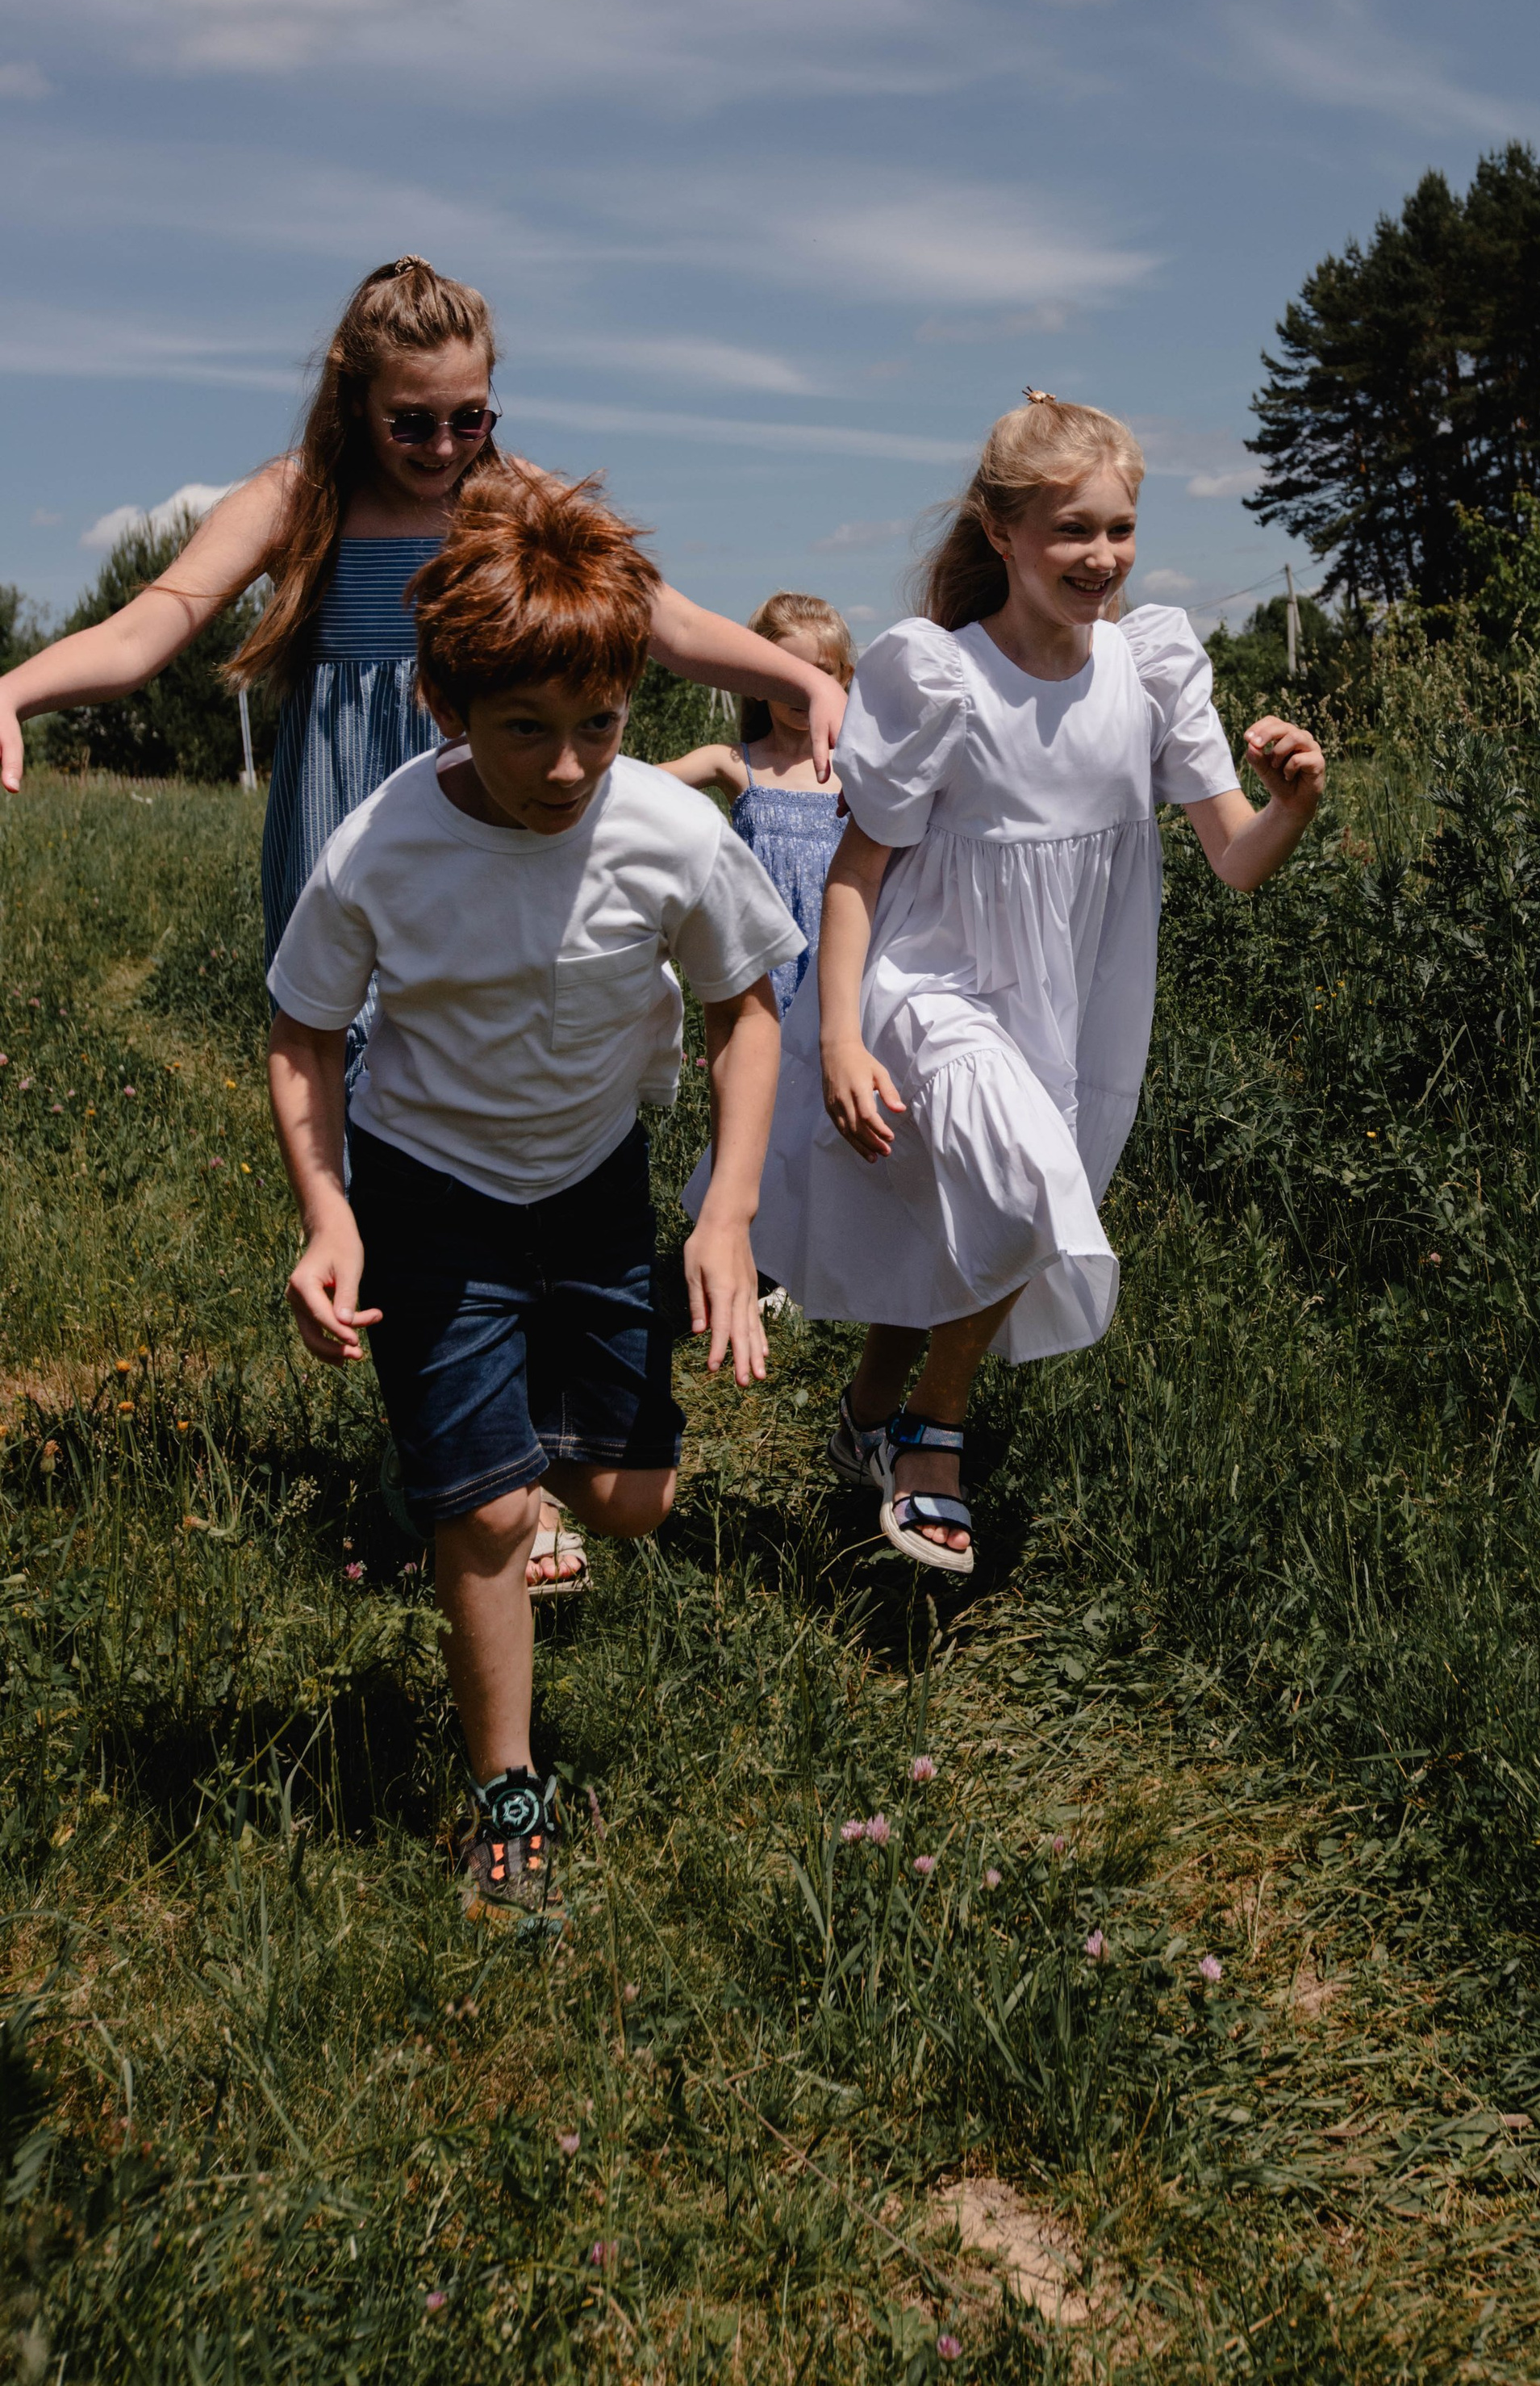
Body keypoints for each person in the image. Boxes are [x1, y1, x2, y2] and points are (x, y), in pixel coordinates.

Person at [0, 256, 846, 1589]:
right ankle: (480, 1453)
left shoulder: (509, 502)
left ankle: (496, 1452)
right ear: (354, 403)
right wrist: (17, 687)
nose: (448, 448)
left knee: (495, 1091)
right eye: (415, 423)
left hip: (522, 815)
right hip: (374, 832)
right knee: (404, 1121)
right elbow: (154, 625)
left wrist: (792, 669)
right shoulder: (298, 501)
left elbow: (664, 623)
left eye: (473, 419)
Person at [265, 468, 799, 1916]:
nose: (567, 767)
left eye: (600, 726)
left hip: (591, 1184)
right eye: (524, 732)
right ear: (444, 702)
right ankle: (507, 1781)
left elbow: (751, 1004)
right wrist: (332, 1212)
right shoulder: (380, 847)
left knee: (633, 1498)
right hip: (429, 1190)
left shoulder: (670, 836)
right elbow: (307, 1029)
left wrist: (729, 1208)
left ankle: (486, 1465)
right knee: (491, 1518)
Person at [688, 389, 1326, 1576]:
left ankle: (866, 1421)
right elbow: (854, 876)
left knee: (959, 1206)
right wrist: (837, 1036)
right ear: (1003, 535)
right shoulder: (938, 676)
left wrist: (1293, 804)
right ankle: (934, 1436)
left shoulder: (1153, 670)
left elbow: (1235, 862)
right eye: (1072, 530)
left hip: (1069, 1004)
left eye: (1119, 528)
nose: (1102, 557)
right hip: (928, 991)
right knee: (1030, 1189)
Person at [661, 590, 855, 1017]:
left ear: (844, 676)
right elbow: (643, 785)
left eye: (820, 672)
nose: (801, 687)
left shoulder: (859, 767)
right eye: (784, 672)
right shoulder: (732, 763)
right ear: (755, 679)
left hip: (847, 956)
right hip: (764, 956)